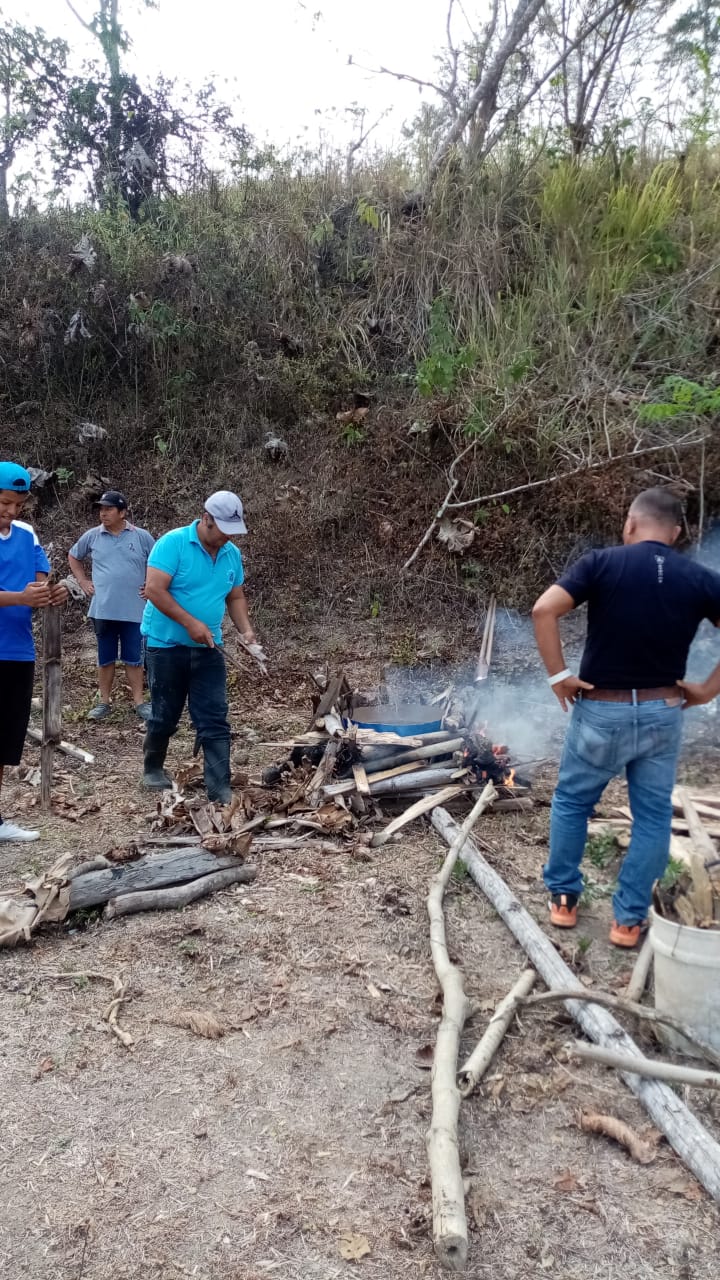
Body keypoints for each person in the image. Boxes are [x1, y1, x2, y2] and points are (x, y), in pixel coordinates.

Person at [532, 486, 720, 948]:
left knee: (573, 802)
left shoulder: (602, 563)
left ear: (631, 524)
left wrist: (559, 676)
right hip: (663, 710)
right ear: (676, 533)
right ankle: (628, 921)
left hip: (602, 710)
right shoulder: (699, 578)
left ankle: (563, 900)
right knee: (652, 817)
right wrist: (707, 689)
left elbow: (544, 609)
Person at [140, 490, 266, 803]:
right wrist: (190, 623)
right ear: (206, 518)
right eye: (222, 529)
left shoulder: (231, 553)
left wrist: (246, 631)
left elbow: (235, 596)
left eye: (232, 530)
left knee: (214, 716)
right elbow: (154, 590)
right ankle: (152, 768)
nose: (227, 537)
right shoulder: (173, 543)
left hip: (210, 648)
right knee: (164, 714)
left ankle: (219, 787)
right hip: (165, 646)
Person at [0, 461, 67, 842]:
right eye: (5, 503)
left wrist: (51, 594)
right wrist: (20, 598)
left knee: (4, 741)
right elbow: (23, 595)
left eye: (18, 505)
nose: (11, 511)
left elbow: (40, 585)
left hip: (17, 651)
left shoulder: (26, 534)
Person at [68, 490, 155, 721]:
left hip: (135, 609)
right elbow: (74, 556)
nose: (103, 513)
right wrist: (83, 581)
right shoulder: (92, 536)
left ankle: (139, 702)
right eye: (101, 509)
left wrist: (151, 584)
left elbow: (158, 561)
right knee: (105, 658)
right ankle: (104, 702)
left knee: (134, 659)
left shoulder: (141, 537)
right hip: (103, 609)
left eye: (109, 509)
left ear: (122, 512)